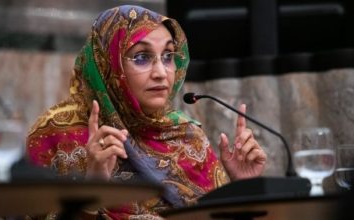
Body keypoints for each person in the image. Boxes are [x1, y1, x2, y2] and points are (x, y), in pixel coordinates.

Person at [26, 5, 267, 220]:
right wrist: (92, 189)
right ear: (107, 62)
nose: (161, 72)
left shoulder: (187, 136)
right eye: (142, 57)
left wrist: (243, 189)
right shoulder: (56, 134)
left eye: (168, 56)